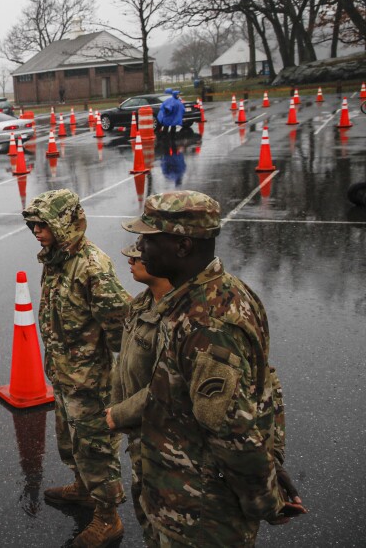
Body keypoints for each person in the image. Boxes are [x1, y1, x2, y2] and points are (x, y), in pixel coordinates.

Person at [122, 191, 306, 547]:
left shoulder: (207, 324)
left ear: (182, 246)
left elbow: (232, 435)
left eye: (149, 238)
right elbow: (258, 393)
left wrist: (266, 501)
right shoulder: (221, 292)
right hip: (184, 498)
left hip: (201, 516)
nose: (140, 246)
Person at [22, 189, 131, 548]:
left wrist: (121, 378)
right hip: (65, 374)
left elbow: (120, 326)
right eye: (33, 225)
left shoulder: (91, 265)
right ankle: (83, 488)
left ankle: (107, 518)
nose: (37, 230)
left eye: (44, 224)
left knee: (96, 449)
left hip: (90, 381)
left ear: (65, 223)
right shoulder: (55, 259)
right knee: (71, 443)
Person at [105, 242, 172, 548]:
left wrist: (118, 414)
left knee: (167, 525)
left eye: (139, 254)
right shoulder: (140, 304)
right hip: (138, 437)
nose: (130, 259)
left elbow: (167, 386)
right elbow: (125, 362)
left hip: (166, 444)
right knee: (145, 512)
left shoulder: (177, 316)